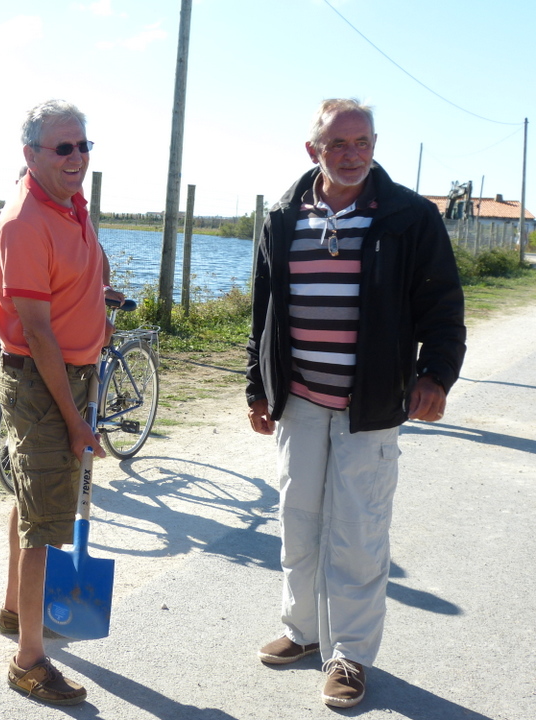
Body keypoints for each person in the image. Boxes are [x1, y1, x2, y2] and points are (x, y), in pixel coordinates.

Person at [246, 99, 466, 708]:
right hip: (300, 401)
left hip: (369, 404)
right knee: (298, 521)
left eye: (362, 141)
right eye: (338, 144)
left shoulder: (409, 217)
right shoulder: (285, 215)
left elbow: (443, 307)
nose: (352, 154)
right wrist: (257, 388)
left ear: (375, 142)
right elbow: (263, 312)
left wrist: (436, 376)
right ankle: (303, 632)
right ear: (312, 150)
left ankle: (349, 655)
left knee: (359, 532)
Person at [0, 99, 114, 706]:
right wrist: (72, 420)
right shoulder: (24, 220)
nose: (77, 157)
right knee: (46, 522)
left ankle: (18, 611)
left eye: (83, 145)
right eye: (63, 148)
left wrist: (96, 294)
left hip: (73, 372)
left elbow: (80, 267)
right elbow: (36, 332)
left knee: (31, 500)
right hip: (45, 382)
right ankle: (29, 660)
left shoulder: (69, 203)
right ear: (31, 154)